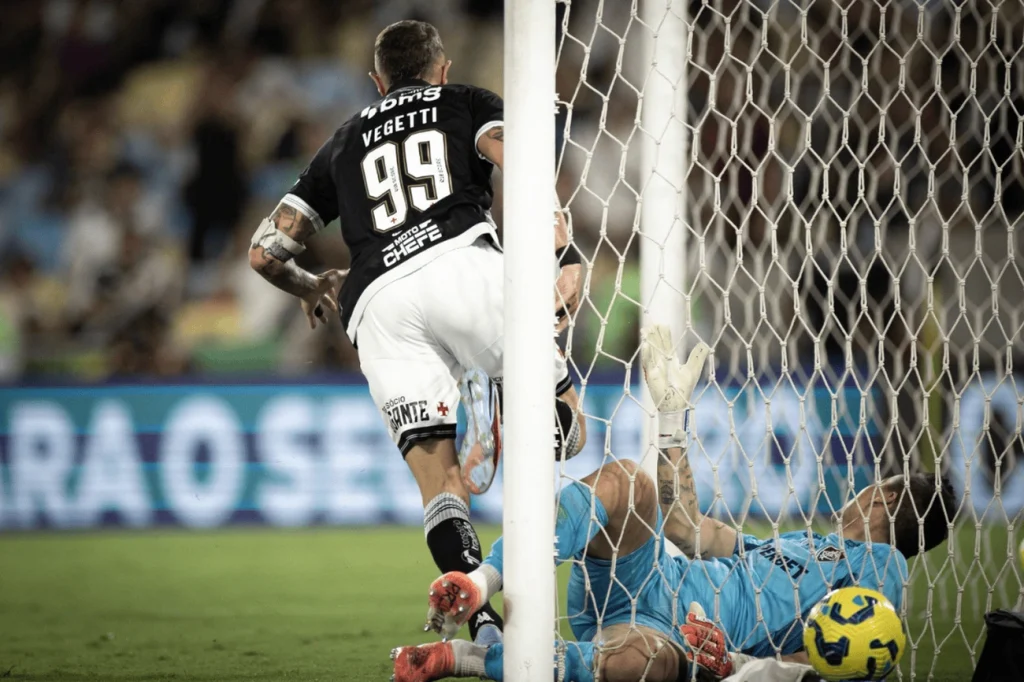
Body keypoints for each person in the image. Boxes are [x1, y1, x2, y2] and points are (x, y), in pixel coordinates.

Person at [247, 20, 587, 644]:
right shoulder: (464, 101)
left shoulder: (342, 142)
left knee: (440, 486)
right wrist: (561, 253)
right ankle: (510, 411)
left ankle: (483, 631)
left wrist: (311, 286)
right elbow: (524, 165)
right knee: (567, 427)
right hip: (461, 261)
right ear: (442, 67)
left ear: (376, 82)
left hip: (377, 302)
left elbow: (265, 252)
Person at [390, 325, 956, 681]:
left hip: (673, 633)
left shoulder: (882, 573)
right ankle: (483, 582)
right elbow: (686, 528)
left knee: (643, 667)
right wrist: (669, 424)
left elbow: (845, 662)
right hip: (647, 567)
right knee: (625, 483)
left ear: (883, 499)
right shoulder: (804, 545)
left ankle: (467, 659)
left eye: (877, 485)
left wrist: (733, 666)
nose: (862, 488)